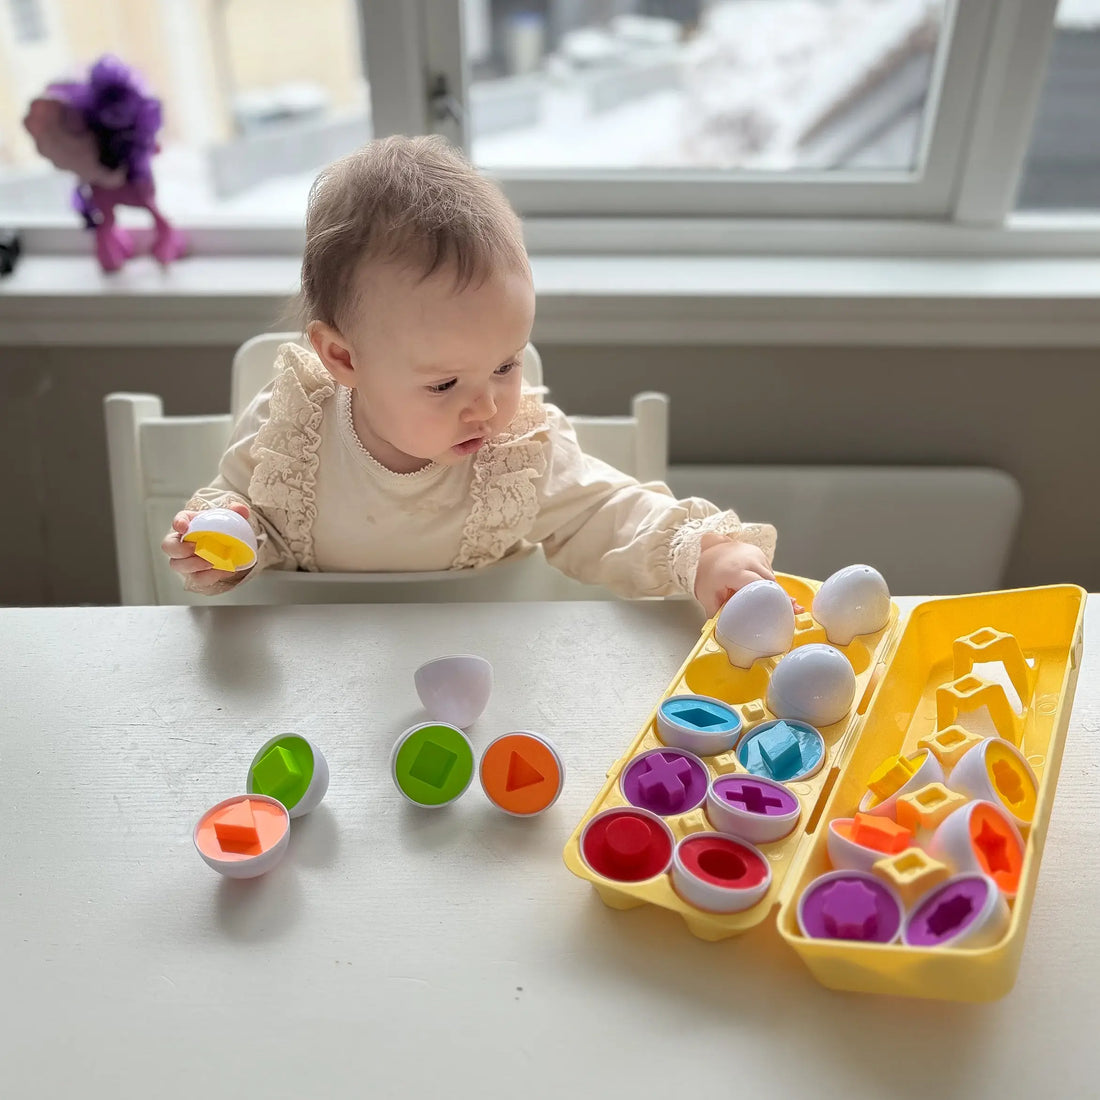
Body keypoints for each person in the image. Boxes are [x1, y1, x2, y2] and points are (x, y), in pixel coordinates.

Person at [162, 135, 778, 617]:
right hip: (315, 681)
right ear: (345, 360)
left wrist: (704, 554)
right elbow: (248, 511)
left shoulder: (517, 454)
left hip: (481, 684)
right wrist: (226, 542)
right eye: (443, 385)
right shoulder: (293, 429)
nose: (484, 406)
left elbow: (607, 514)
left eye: (505, 365)